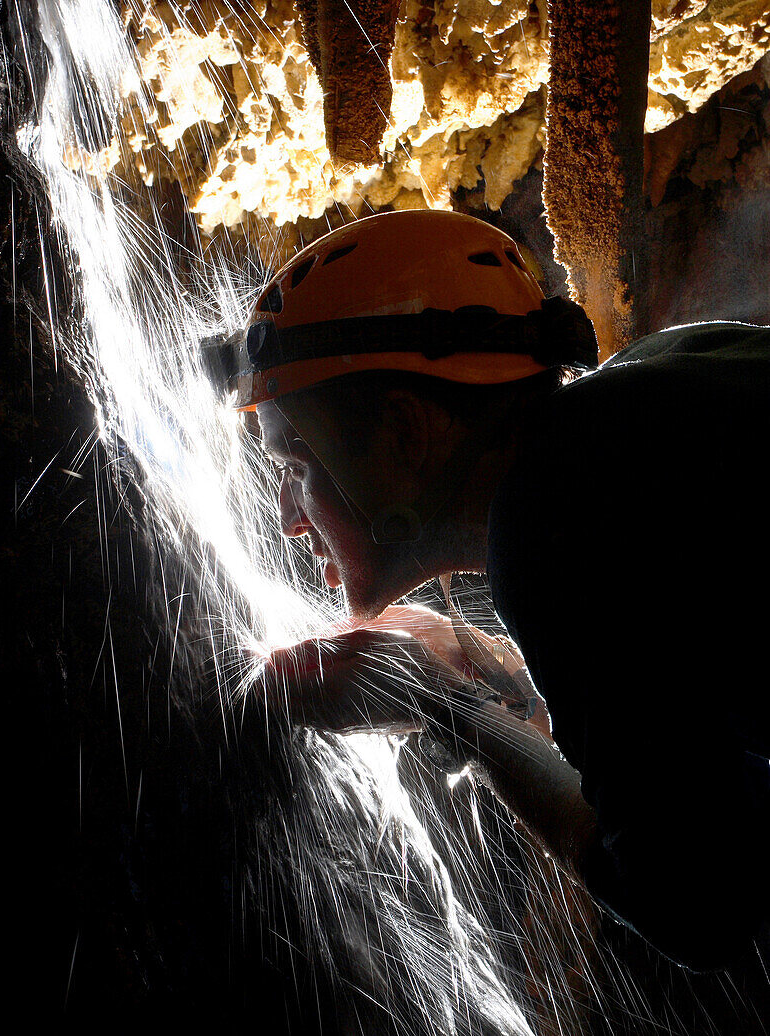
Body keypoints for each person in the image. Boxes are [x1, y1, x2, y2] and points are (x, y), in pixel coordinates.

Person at [205, 209, 769, 973]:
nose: (288, 521)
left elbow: (699, 907)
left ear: (404, 434)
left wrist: (448, 706)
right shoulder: (651, 393)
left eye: (295, 466)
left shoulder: (554, 514)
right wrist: (496, 683)